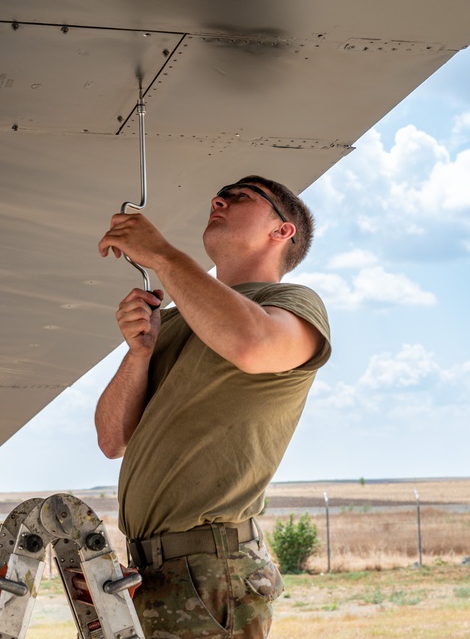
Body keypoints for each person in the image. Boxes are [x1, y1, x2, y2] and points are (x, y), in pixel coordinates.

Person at [95, 176, 331, 638]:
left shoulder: (292, 304)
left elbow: (252, 344)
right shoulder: (175, 320)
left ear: (283, 232)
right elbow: (112, 439)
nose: (218, 200)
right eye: (222, 195)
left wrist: (162, 254)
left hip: (210, 572)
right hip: (149, 573)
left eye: (241, 197)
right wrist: (138, 353)